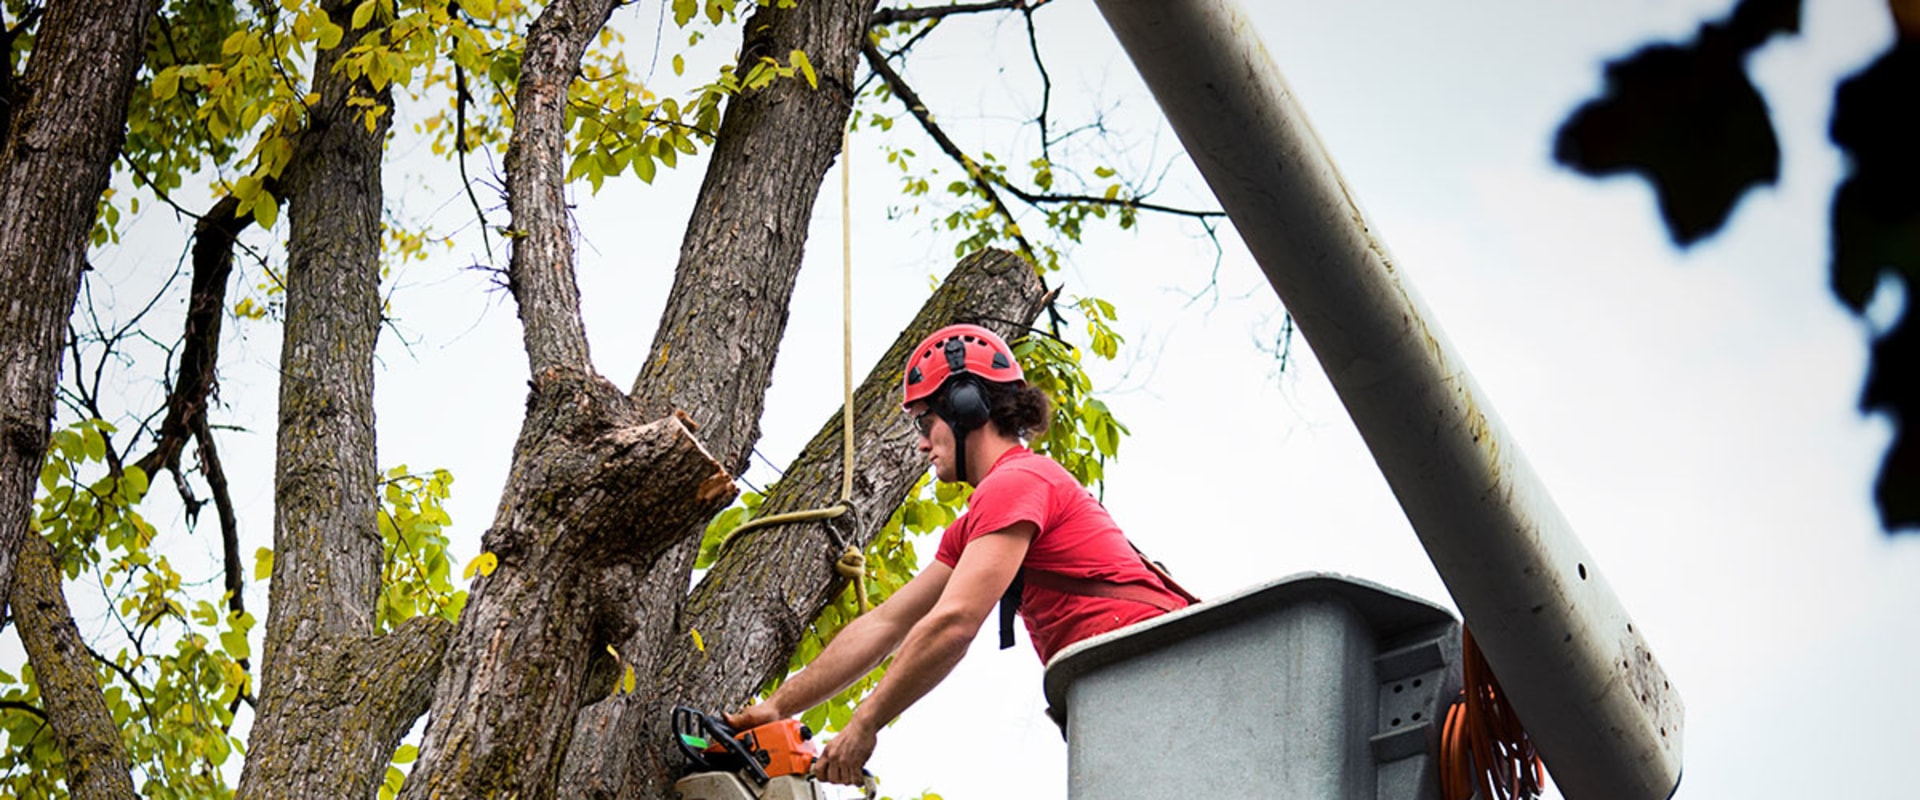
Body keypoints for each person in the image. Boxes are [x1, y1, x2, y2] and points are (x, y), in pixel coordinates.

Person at [726, 323, 1194, 786]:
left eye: (926, 423)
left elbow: (954, 623)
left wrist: (865, 723)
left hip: (1164, 674)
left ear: (967, 407)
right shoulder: (980, 522)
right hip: (1125, 686)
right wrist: (778, 706)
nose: (922, 444)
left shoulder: (1017, 482)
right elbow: (886, 623)